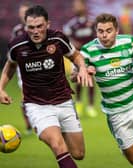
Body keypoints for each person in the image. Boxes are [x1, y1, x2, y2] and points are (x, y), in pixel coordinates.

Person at [0, 5, 93, 168]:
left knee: (79, 153)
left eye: (39, 26)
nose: (35, 31)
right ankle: (47, 129)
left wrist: (82, 68)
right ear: (25, 26)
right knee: (58, 146)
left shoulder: (58, 39)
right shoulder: (17, 45)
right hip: (37, 106)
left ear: (47, 24)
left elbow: (75, 55)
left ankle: (54, 130)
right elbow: (10, 65)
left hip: (64, 101)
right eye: (31, 27)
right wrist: (0, 88)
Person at [72, 13, 133, 167]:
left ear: (116, 31)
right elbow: (73, 76)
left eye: (108, 31)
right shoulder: (88, 50)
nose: (104, 35)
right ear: (96, 32)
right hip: (116, 113)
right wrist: (83, 71)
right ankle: (123, 142)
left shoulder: (129, 42)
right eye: (100, 31)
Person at [63, 0, 97, 118]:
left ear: (84, 6)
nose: (76, 8)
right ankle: (78, 103)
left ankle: (91, 106)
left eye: (78, 5)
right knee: (78, 79)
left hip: (91, 55)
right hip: (76, 56)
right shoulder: (71, 24)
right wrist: (75, 44)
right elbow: (67, 39)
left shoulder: (92, 22)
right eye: (74, 6)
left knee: (91, 79)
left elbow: (96, 37)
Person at [11, 1, 33, 134]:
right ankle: (29, 124)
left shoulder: (36, 28)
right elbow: (13, 49)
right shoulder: (17, 30)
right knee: (26, 96)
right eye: (20, 12)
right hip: (23, 68)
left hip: (39, 65)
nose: (22, 15)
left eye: (24, 12)